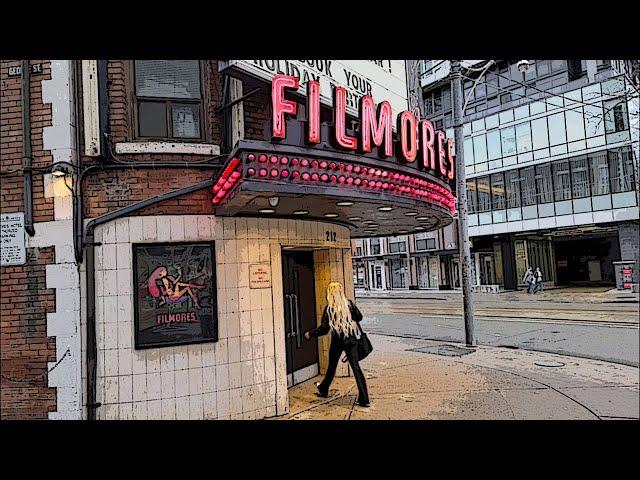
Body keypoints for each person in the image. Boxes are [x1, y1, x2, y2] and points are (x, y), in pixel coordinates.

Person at [303, 282, 370, 407]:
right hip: (351, 340)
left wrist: (310, 334)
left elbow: (324, 329)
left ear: (330, 294)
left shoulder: (329, 309)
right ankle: (364, 399)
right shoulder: (349, 304)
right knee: (356, 368)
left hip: (337, 341)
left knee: (332, 366)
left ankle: (323, 389)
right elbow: (359, 317)